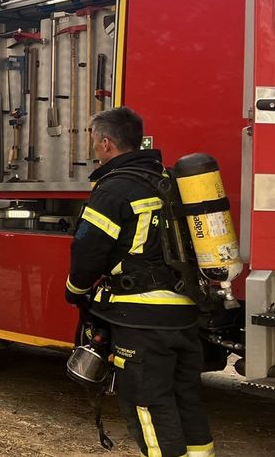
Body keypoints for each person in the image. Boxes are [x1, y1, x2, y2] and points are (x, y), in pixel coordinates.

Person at [65, 106, 213, 457]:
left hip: (143, 319)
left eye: (91, 137)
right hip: (185, 314)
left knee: (148, 406)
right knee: (185, 401)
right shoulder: (168, 182)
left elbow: (88, 251)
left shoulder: (113, 189)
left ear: (105, 143)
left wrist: (75, 291)